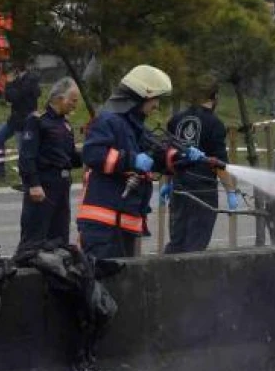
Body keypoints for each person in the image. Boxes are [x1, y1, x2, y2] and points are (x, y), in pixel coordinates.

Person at [77, 65, 207, 259]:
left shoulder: (134, 127)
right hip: (103, 226)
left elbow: (157, 156)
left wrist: (182, 158)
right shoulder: (107, 121)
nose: (156, 105)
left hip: (122, 222)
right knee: (102, 284)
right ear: (140, 96)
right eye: (155, 99)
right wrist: (132, 160)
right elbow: (93, 154)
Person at [161, 80, 239, 254]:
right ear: (215, 97)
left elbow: (167, 155)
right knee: (195, 247)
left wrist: (167, 183)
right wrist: (231, 192)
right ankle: (188, 280)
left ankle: (167, 277)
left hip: (179, 190)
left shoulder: (175, 120)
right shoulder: (214, 124)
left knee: (177, 242)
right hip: (203, 194)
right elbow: (219, 164)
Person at [15, 78, 82, 257]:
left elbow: (70, 157)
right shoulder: (38, 121)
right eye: (73, 101)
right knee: (35, 239)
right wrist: (33, 184)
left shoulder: (65, 124)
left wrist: (90, 152)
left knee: (60, 239)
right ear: (59, 98)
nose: (75, 105)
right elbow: (27, 156)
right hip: (44, 186)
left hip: (62, 186)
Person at [0, 63, 42, 178]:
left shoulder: (30, 80)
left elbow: (13, 97)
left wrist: (9, 83)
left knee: (22, 149)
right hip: (15, 118)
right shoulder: (20, 80)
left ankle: (27, 178)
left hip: (25, 121)